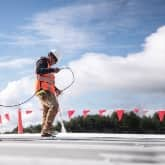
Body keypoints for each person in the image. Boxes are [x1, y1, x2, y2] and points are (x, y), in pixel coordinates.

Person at [35, 50, 62, 137]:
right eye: (55, 60)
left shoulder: (48, 66)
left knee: (46, 112)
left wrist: (56, 89)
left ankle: (45, 131)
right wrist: (53, 69)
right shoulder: (42, 61)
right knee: (54, 106)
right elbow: (38, 70)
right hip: (43, 91)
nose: (55, 63)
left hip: (47, 91)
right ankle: (48, 129)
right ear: (51, 56)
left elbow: (49, 82)